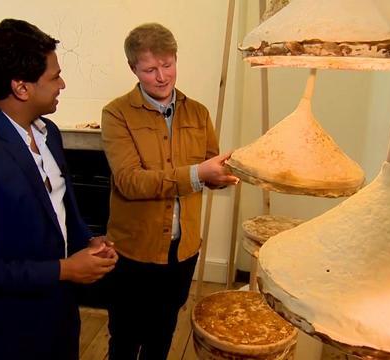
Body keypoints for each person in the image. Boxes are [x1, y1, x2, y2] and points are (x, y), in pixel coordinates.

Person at [0, 18, 117, 360]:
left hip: (58, 316)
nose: (62, 83)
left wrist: (87, 240)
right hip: (7, 332)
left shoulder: (50, 133)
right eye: (54, 76)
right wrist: (65, 269)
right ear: (21, 88)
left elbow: (58, 210)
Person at [101, 23, 239, 360]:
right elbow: (130, 182)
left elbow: (209, 170)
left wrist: (222, 176)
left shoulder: (198, 112)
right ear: (133, 68)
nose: (162, 76)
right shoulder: (116, 114)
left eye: (168, 65)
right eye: (150, 69)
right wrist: (197, 174)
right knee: (125, 335)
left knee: (161, 333)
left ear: (176, 59)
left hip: (183, 251)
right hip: (134, 250)